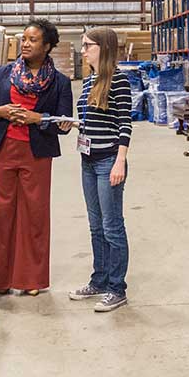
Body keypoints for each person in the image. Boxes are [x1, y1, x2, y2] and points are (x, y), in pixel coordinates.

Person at [0, 19, 74, 296]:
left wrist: (38, 118)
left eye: (33, 40)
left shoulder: (59, 83)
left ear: (47, 46)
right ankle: (3, 280)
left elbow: (63, 124)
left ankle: (31, 280)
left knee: (35, 216)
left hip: (37, 155)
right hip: (3, 152)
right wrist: (0, 111)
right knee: (3, 215)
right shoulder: (4, 74)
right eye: (24, 39)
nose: (26, 44)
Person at [68, 27, 133, 312]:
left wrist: (120, 161)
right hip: (88, 160)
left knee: (112, 226)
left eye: (87, 46)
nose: (82, 51)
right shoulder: (89, 81)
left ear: (103, 48)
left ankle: (117, 288)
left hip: (109, 161)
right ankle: (100, 280)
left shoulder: (118, 80)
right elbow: (91, 120)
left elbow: (124, 124)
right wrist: (72, 124)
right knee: (96, 226)